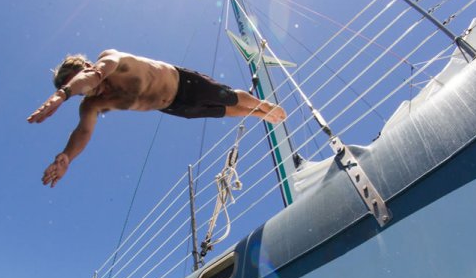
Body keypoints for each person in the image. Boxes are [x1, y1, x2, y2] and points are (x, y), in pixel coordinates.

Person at [27, 49, 287, 187]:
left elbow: (95, 76)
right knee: (225, 112)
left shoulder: (109, 59)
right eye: (86, 92)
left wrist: (64, 94)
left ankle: (261, 104)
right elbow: (83, 132)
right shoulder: (91, 104)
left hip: (183, 82)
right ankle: (258, 114)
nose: (94, 91)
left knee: (228, 98)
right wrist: (67, 157)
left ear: (84, 69)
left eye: (85, 86)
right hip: (175, 107)